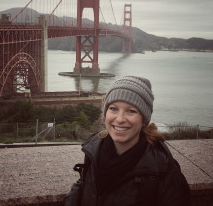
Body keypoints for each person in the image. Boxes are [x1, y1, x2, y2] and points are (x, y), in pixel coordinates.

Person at [64, 76, 191, 206]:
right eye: (113, 108)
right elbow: (85, 182)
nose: (120, 119)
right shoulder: (94, 149)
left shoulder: (163, 169)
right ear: (105, 113)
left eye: (131, 111)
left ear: (144, 120)